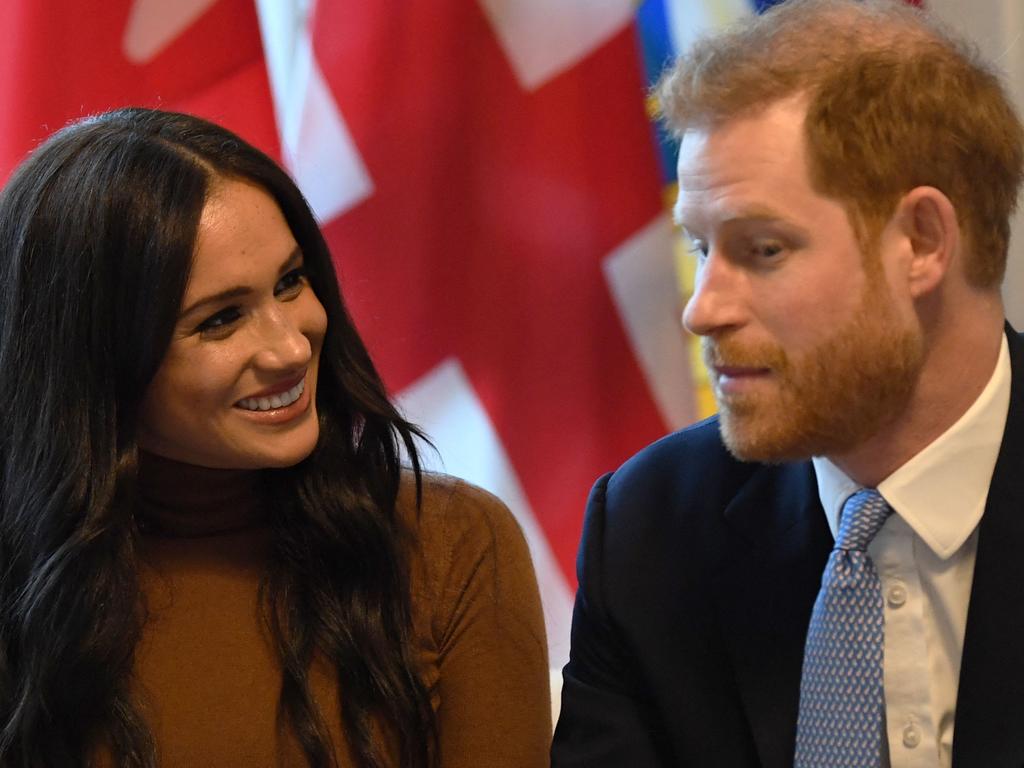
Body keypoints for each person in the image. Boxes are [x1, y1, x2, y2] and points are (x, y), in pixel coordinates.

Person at [0, 107, 551, 767]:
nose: (292, 346)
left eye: (291, 282)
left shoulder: (451, 545)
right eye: (221, 320)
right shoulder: (22, 581)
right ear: (95, 361)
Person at [551, 0, 1024, 765]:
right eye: (701, 248)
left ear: (923, 242)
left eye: (762, 249)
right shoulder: (650, 530)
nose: (702, 309)